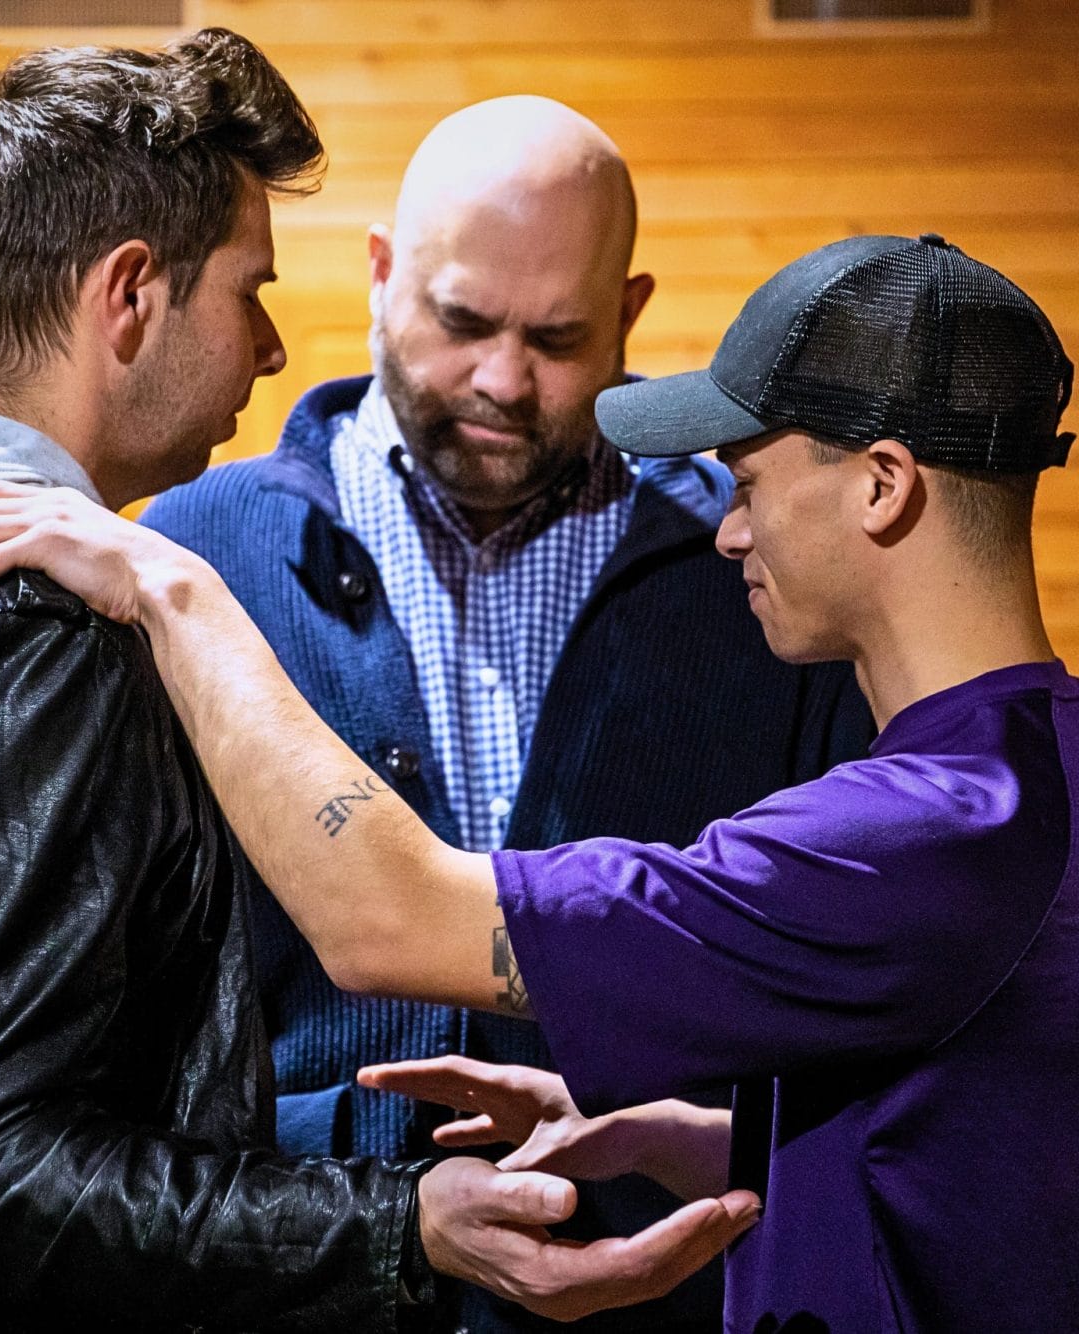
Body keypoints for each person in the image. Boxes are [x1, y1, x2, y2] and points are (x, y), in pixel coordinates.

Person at [0, 32, 757, 1334]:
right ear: (131, 299)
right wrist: (397, 1222)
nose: (273, 350)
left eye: (555, 333)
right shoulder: (41, 616)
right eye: (249, 290)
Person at [0, 232, 1079, 1332]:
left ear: (881, 486)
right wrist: (688, 1129)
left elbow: (385, 918)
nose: (731, 528)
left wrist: (170, 585)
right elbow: (985, 1131)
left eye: (752, 484)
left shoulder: (919, 830)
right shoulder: (1077, 758)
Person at [140, 96, 872, 1332]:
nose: (500, 380)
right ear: (380, 274)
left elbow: (832, 977)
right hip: (301, 1282)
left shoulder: (753, 577)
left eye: (559, 337)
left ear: (630, 315)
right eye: (461, 321)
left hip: (667, 1288)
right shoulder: (196, 556)